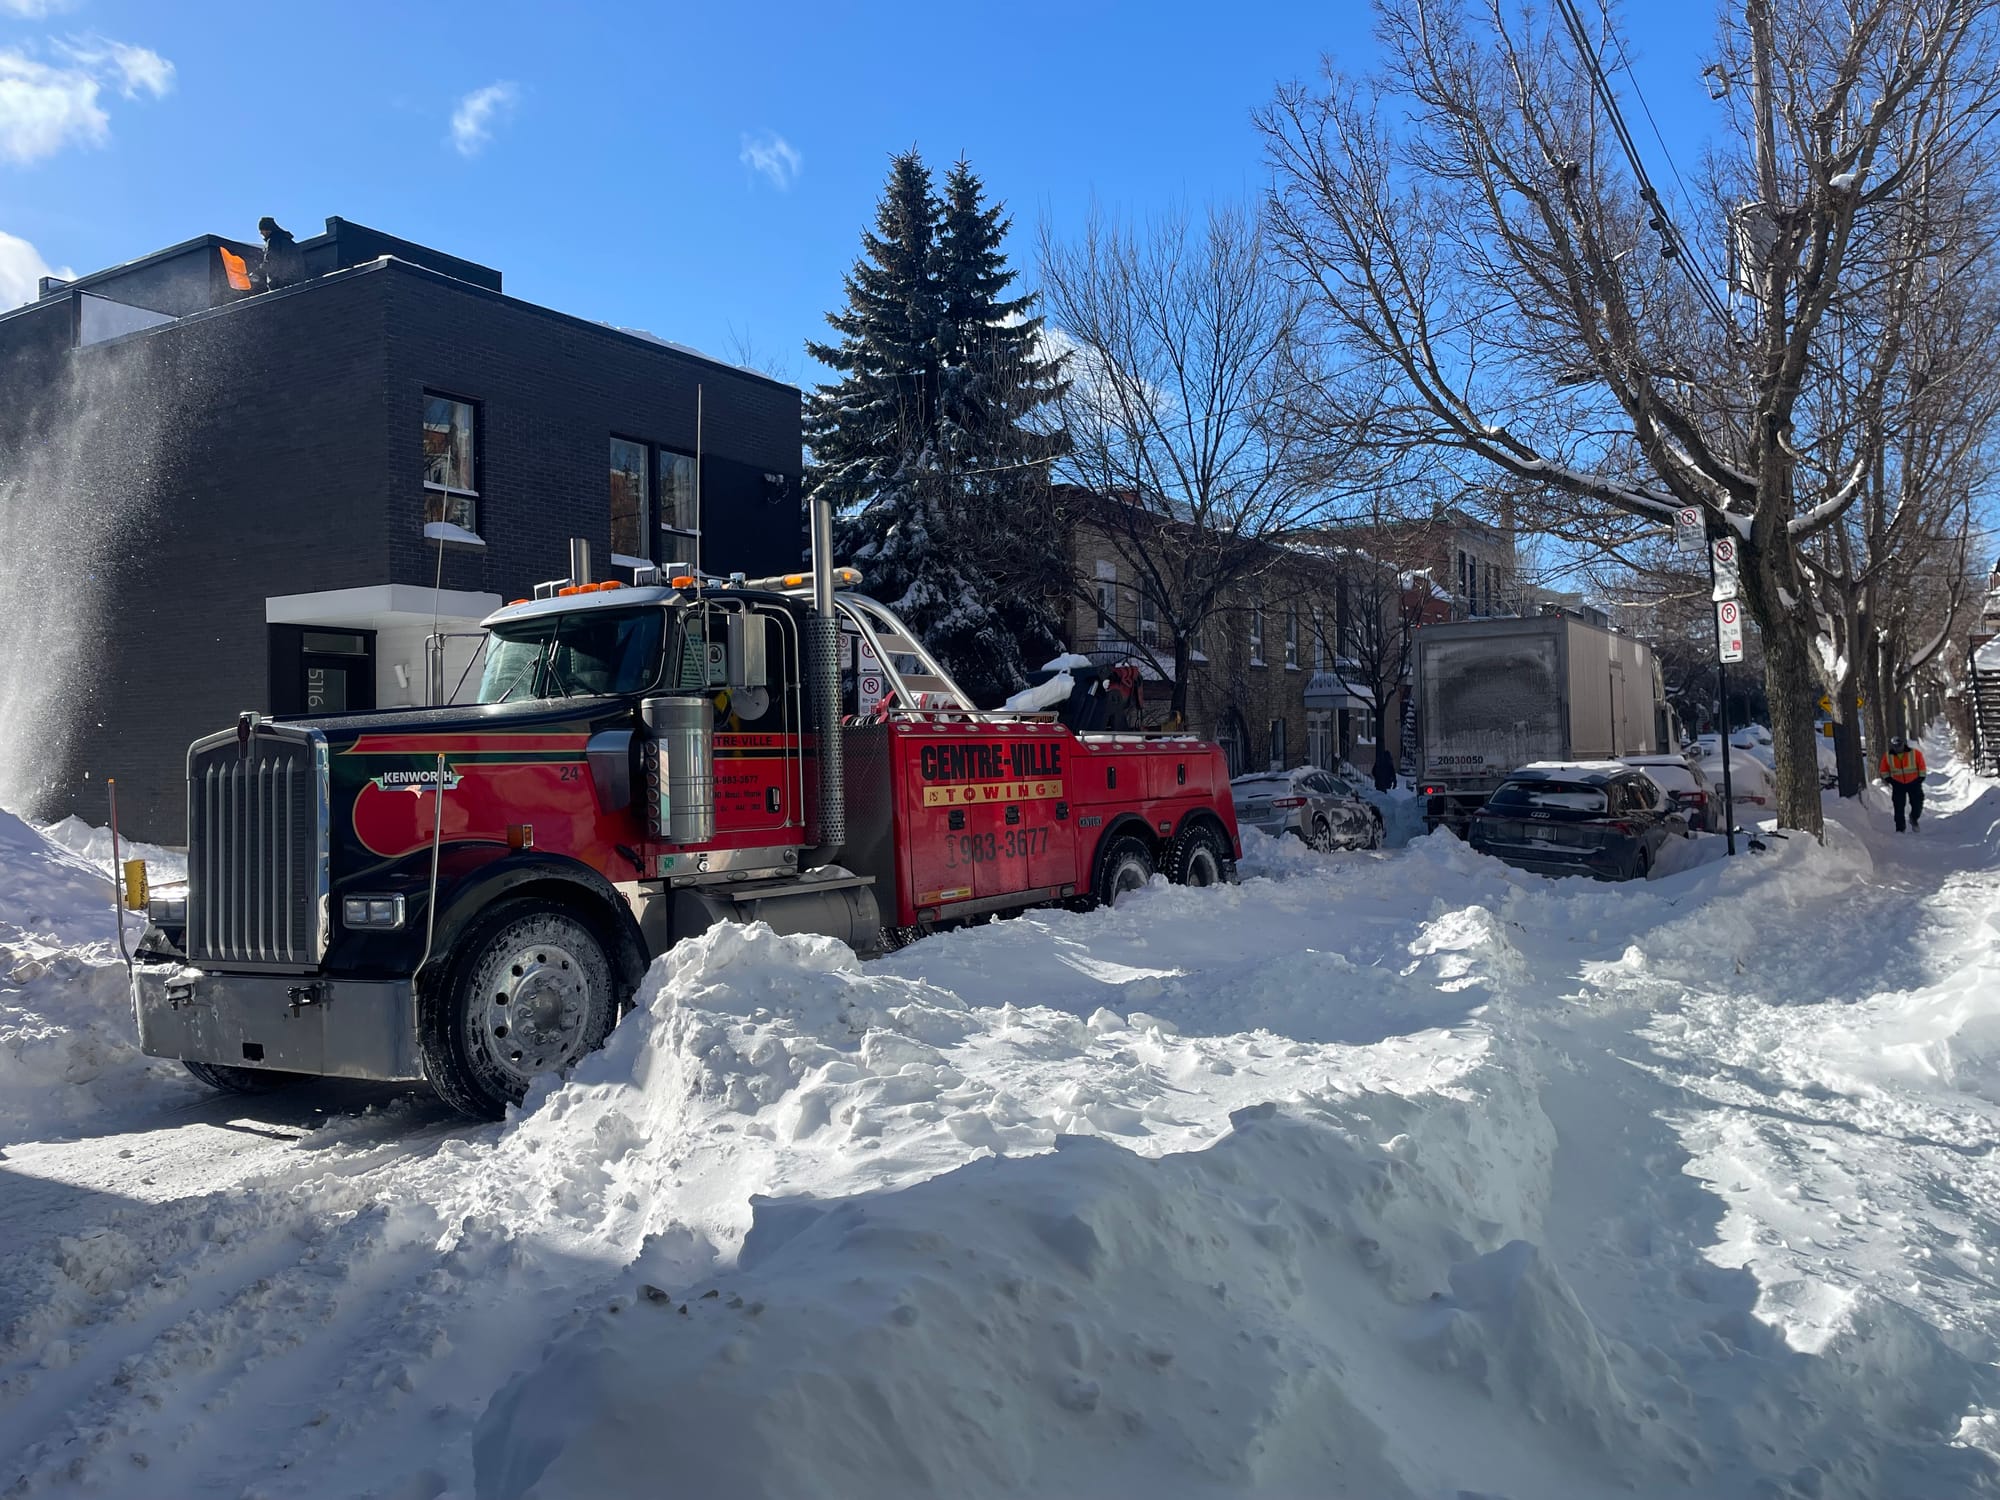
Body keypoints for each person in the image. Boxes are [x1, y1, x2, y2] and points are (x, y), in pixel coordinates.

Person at [1878, 735, 1927, 831]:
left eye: (1899, 745)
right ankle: (1900, 828)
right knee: (1898, 806)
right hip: (1898, 784)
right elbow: (1883, 770)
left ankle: (1914, 818)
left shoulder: (1914, 753)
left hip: (1914, 782)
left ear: (1903, 744)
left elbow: (1921, 766)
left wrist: (1920, 779)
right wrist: (1890, 780)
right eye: (1895, 746)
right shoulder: (1888, 756)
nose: (1898, 748)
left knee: (1917, 803)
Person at [253, 217, 304, 291]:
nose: (261, 233)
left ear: (267, 229)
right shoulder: (290, 243)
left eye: (261, 230)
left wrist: (257, 273)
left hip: (279, 284)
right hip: (296, 283)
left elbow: (271, 261)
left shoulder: (273, 241)